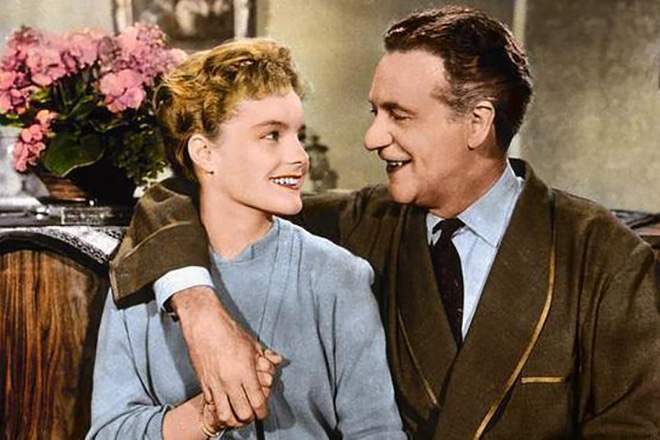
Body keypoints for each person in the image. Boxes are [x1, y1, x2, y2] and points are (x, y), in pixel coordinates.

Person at [109, 5, 660, 439]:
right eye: (375, 112)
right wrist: (199, 308)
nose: (372, 138)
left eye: (399, 115)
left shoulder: (605, 259)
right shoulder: (366, 222)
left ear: (477, 123)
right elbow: (180, 197)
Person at [87, 38, 404, 439]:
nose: (299, 157)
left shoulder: (340, 277)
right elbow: (108, 432)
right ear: (205, 153)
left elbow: (376, 432)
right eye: (272, 135)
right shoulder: (143, 274)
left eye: (298, 135)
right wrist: (207, 415)